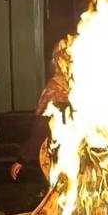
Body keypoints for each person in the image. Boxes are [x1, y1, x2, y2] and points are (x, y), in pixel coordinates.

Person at [10, 39, 70, 181]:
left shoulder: (57, 88)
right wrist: (23, 158)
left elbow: (41, 125)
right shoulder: (56, 88)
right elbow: (42, 125)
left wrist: (23, 158)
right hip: (67, 156)